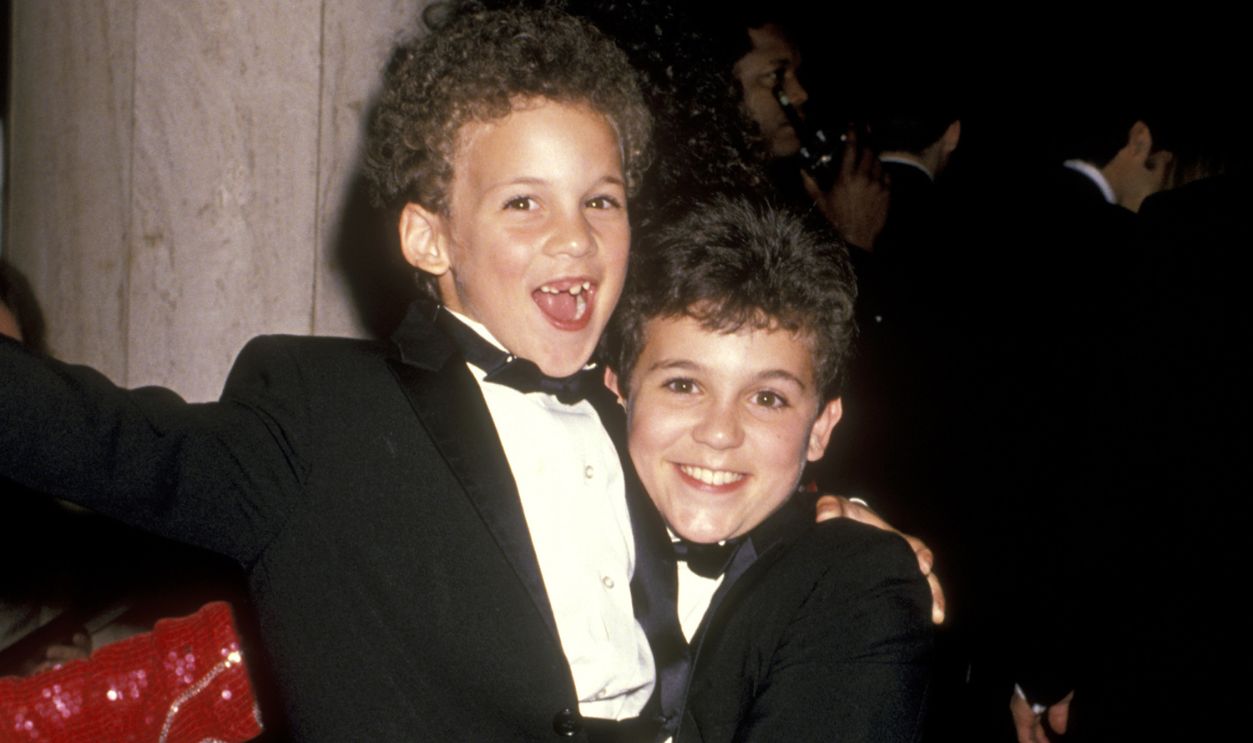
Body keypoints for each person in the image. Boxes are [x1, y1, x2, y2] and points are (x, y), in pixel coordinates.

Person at [2, 7, 937, 740]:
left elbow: (733, 513)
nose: (573, 236)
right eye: (523, 202)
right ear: (428, 236)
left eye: (600, 201)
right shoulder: (320, 416)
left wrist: (830, 519)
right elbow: (100, 437)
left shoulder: (640, 412)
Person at [605, 197, 932, 742]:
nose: (719, 432)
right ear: (618, 391)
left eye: (767, 398)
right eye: (684, 385)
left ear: (822, 428)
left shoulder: (855, 589)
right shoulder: (547, 523)